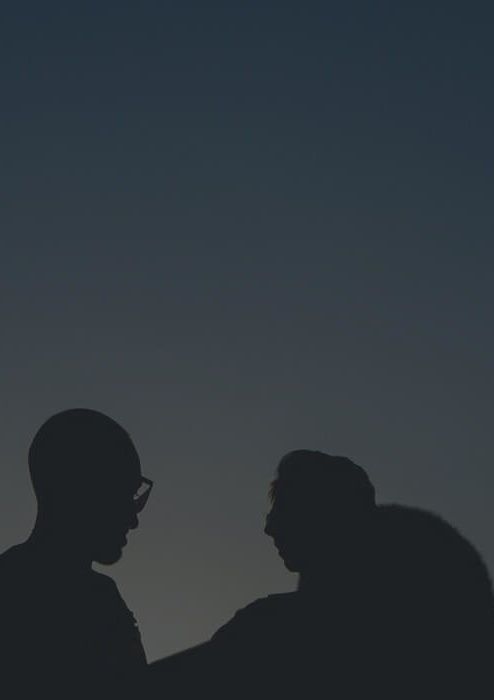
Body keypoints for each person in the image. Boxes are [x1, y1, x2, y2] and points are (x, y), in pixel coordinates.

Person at [149, 449, 494, 699]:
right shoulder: (434, 631)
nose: (269, 527)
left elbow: (155, 687)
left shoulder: (267, 629)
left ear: (320, 515)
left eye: (282, 510)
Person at [0, 408, 152, 699]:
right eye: (124, 494)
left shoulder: (103, 597)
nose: (133, 519)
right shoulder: (100, 602)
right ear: (84, 488)